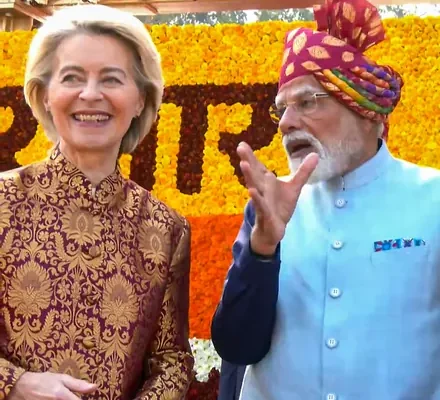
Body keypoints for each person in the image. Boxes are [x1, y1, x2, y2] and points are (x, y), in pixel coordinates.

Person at [211, 0, 440, 399]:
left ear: (366, 111)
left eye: (307, 102)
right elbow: (237, 346)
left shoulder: (432, 199)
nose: (286, 123)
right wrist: (262, 250)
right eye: (282, 109)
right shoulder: (268, 206)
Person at [0, 5, 194, 400]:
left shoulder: (164, 229)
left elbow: (172, 360)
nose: (90, 94)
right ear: (45, 95)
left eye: (111, 79)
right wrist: (15, 384)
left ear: (140, 100)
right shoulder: (4, 202)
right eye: (72, 77)